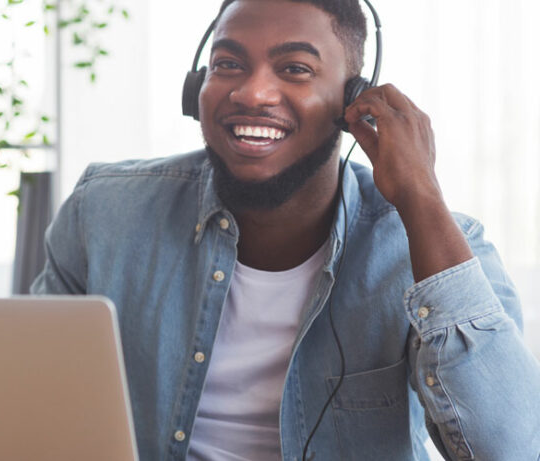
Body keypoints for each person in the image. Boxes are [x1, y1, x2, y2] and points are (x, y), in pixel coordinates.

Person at [30, 0, 540, 459]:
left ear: (354, 104)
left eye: (295, 69)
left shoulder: (435, 245)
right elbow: (28, 398)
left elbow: (510, 449)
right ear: (196, 89)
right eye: (228, 64)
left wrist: (422, 198)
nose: (252, 92)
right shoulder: (101, 212)